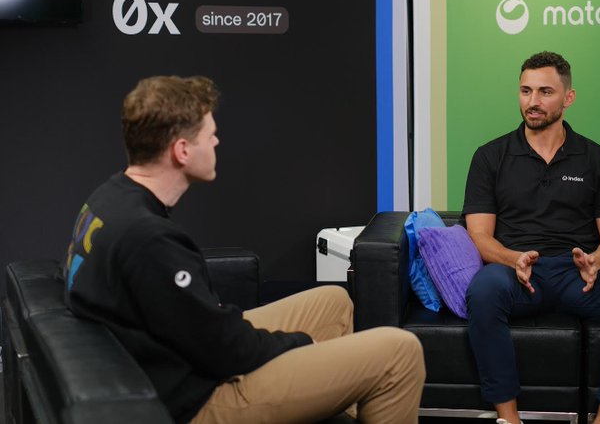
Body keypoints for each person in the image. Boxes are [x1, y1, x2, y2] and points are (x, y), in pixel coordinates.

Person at [63, 75, 425, 424]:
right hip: (198, 399)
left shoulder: (109, 197)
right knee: (400, 351)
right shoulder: (150, 238)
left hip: (185, 357)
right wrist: (298, 343)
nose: (217, 141)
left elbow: (198, 326)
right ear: (182, 150)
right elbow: (224, 351)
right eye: (210, 135)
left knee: (333, 302)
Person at [462, 52, 600, 424]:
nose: (533, 101)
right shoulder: (490, 157)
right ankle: (509, 419)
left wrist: (596, 261)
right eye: (526, 91)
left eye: (545, 92)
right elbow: (478, 235)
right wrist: (512, 258)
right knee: (483, 291)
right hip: (517, 273)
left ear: (568, 97)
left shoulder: (598, 159)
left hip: (578, 275)